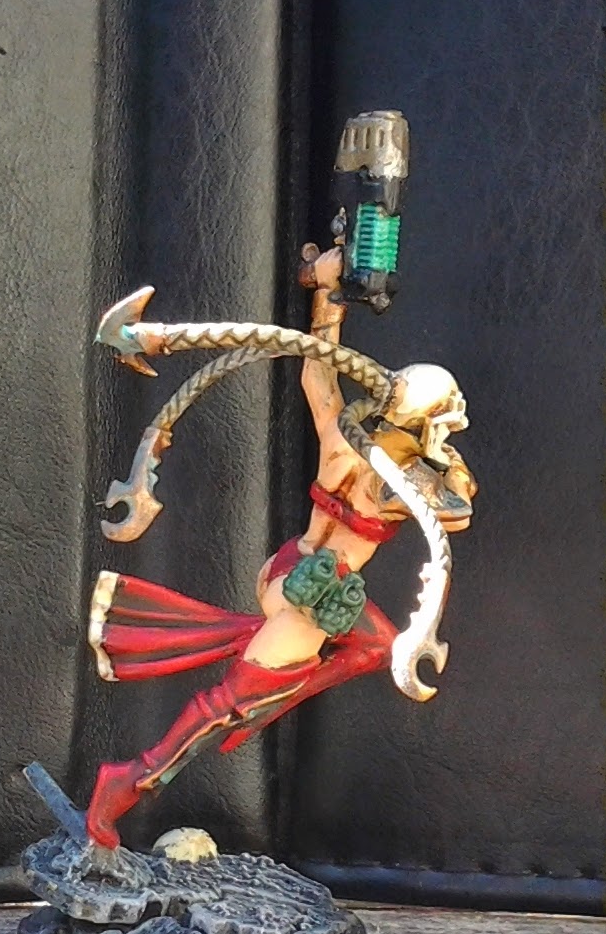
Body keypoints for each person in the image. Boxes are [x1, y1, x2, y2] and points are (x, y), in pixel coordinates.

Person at [86, 246, 477, 849]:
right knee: (229, 705)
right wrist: (443, 462)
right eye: (446, 422)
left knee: (376, 644)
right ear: (425, 425)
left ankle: (280, 674)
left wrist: (328, 297)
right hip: (309, 602)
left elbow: (317, 374)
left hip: (288, 568)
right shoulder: (395, 484)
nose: (451, 432)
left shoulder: (343, 442)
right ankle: (129, 780)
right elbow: (456, 509)